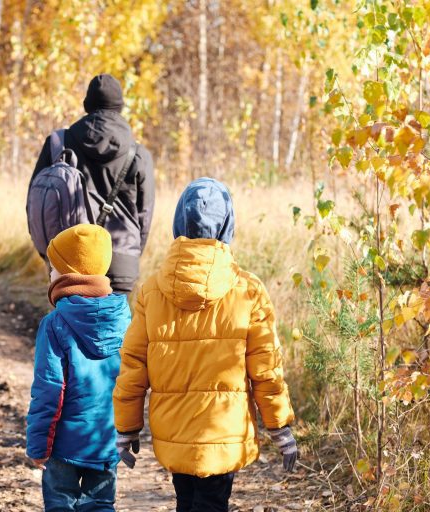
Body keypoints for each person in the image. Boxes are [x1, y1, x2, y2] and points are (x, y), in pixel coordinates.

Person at [112, 178, 298, 512]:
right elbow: (266, 369)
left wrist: (127, 427)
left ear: (177, 224)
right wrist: (279, 426)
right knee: (213, 502)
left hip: (174, 429)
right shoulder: (249, 290)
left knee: (187, 499)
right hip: (223, 430)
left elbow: (133, 366)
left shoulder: (152, 290)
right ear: (228, 224)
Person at [26, 224, 131, 511]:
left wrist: (38, 446)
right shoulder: (124, 319)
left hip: (63, 447)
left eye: (53, 267)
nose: (49, 273)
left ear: (67, 273)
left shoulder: (55, 324)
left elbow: (49, 389)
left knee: (60, 503)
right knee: (100, 504)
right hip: (106, 441)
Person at [31, 74, 155, 294]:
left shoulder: (58, 143)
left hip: (71, 256)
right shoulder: (138, 153)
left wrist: (50, 251)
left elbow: (36, 202)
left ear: (86, 104)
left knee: (68, 326)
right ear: (120, 106)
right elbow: (144, 215)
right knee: (115, 327)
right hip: (121, 258)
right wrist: (131, 254)